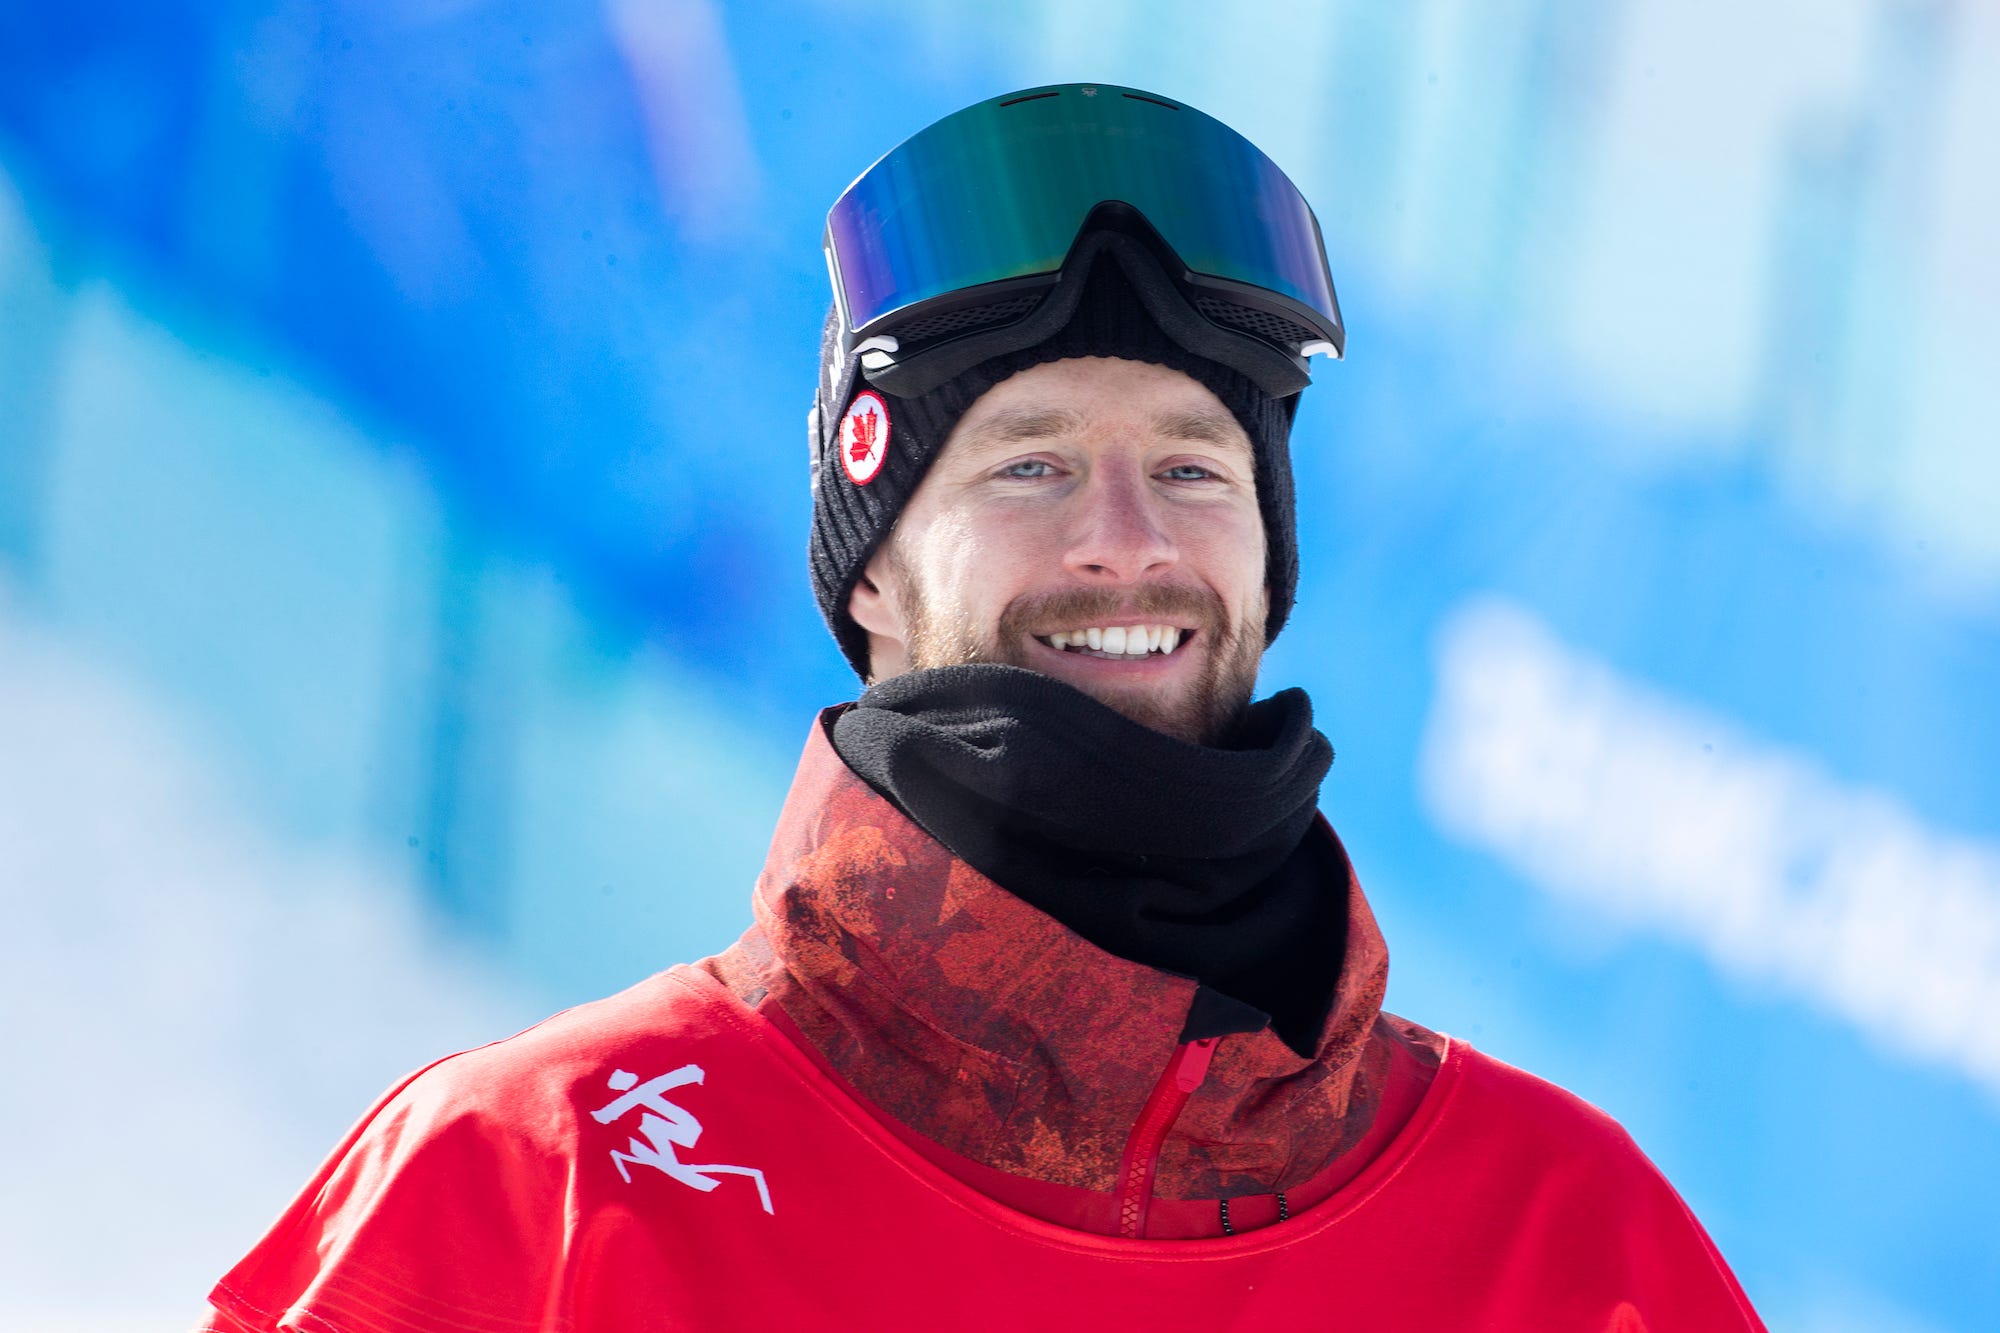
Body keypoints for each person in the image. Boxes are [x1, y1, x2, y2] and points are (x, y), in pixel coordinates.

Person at [200, 84, 1765, 1331]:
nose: (1126, 539)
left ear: (1269, 558)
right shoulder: (526, 1197)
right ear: (869, 573)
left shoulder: (1574, 1245)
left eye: (1193, 466)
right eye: (1029, 463)